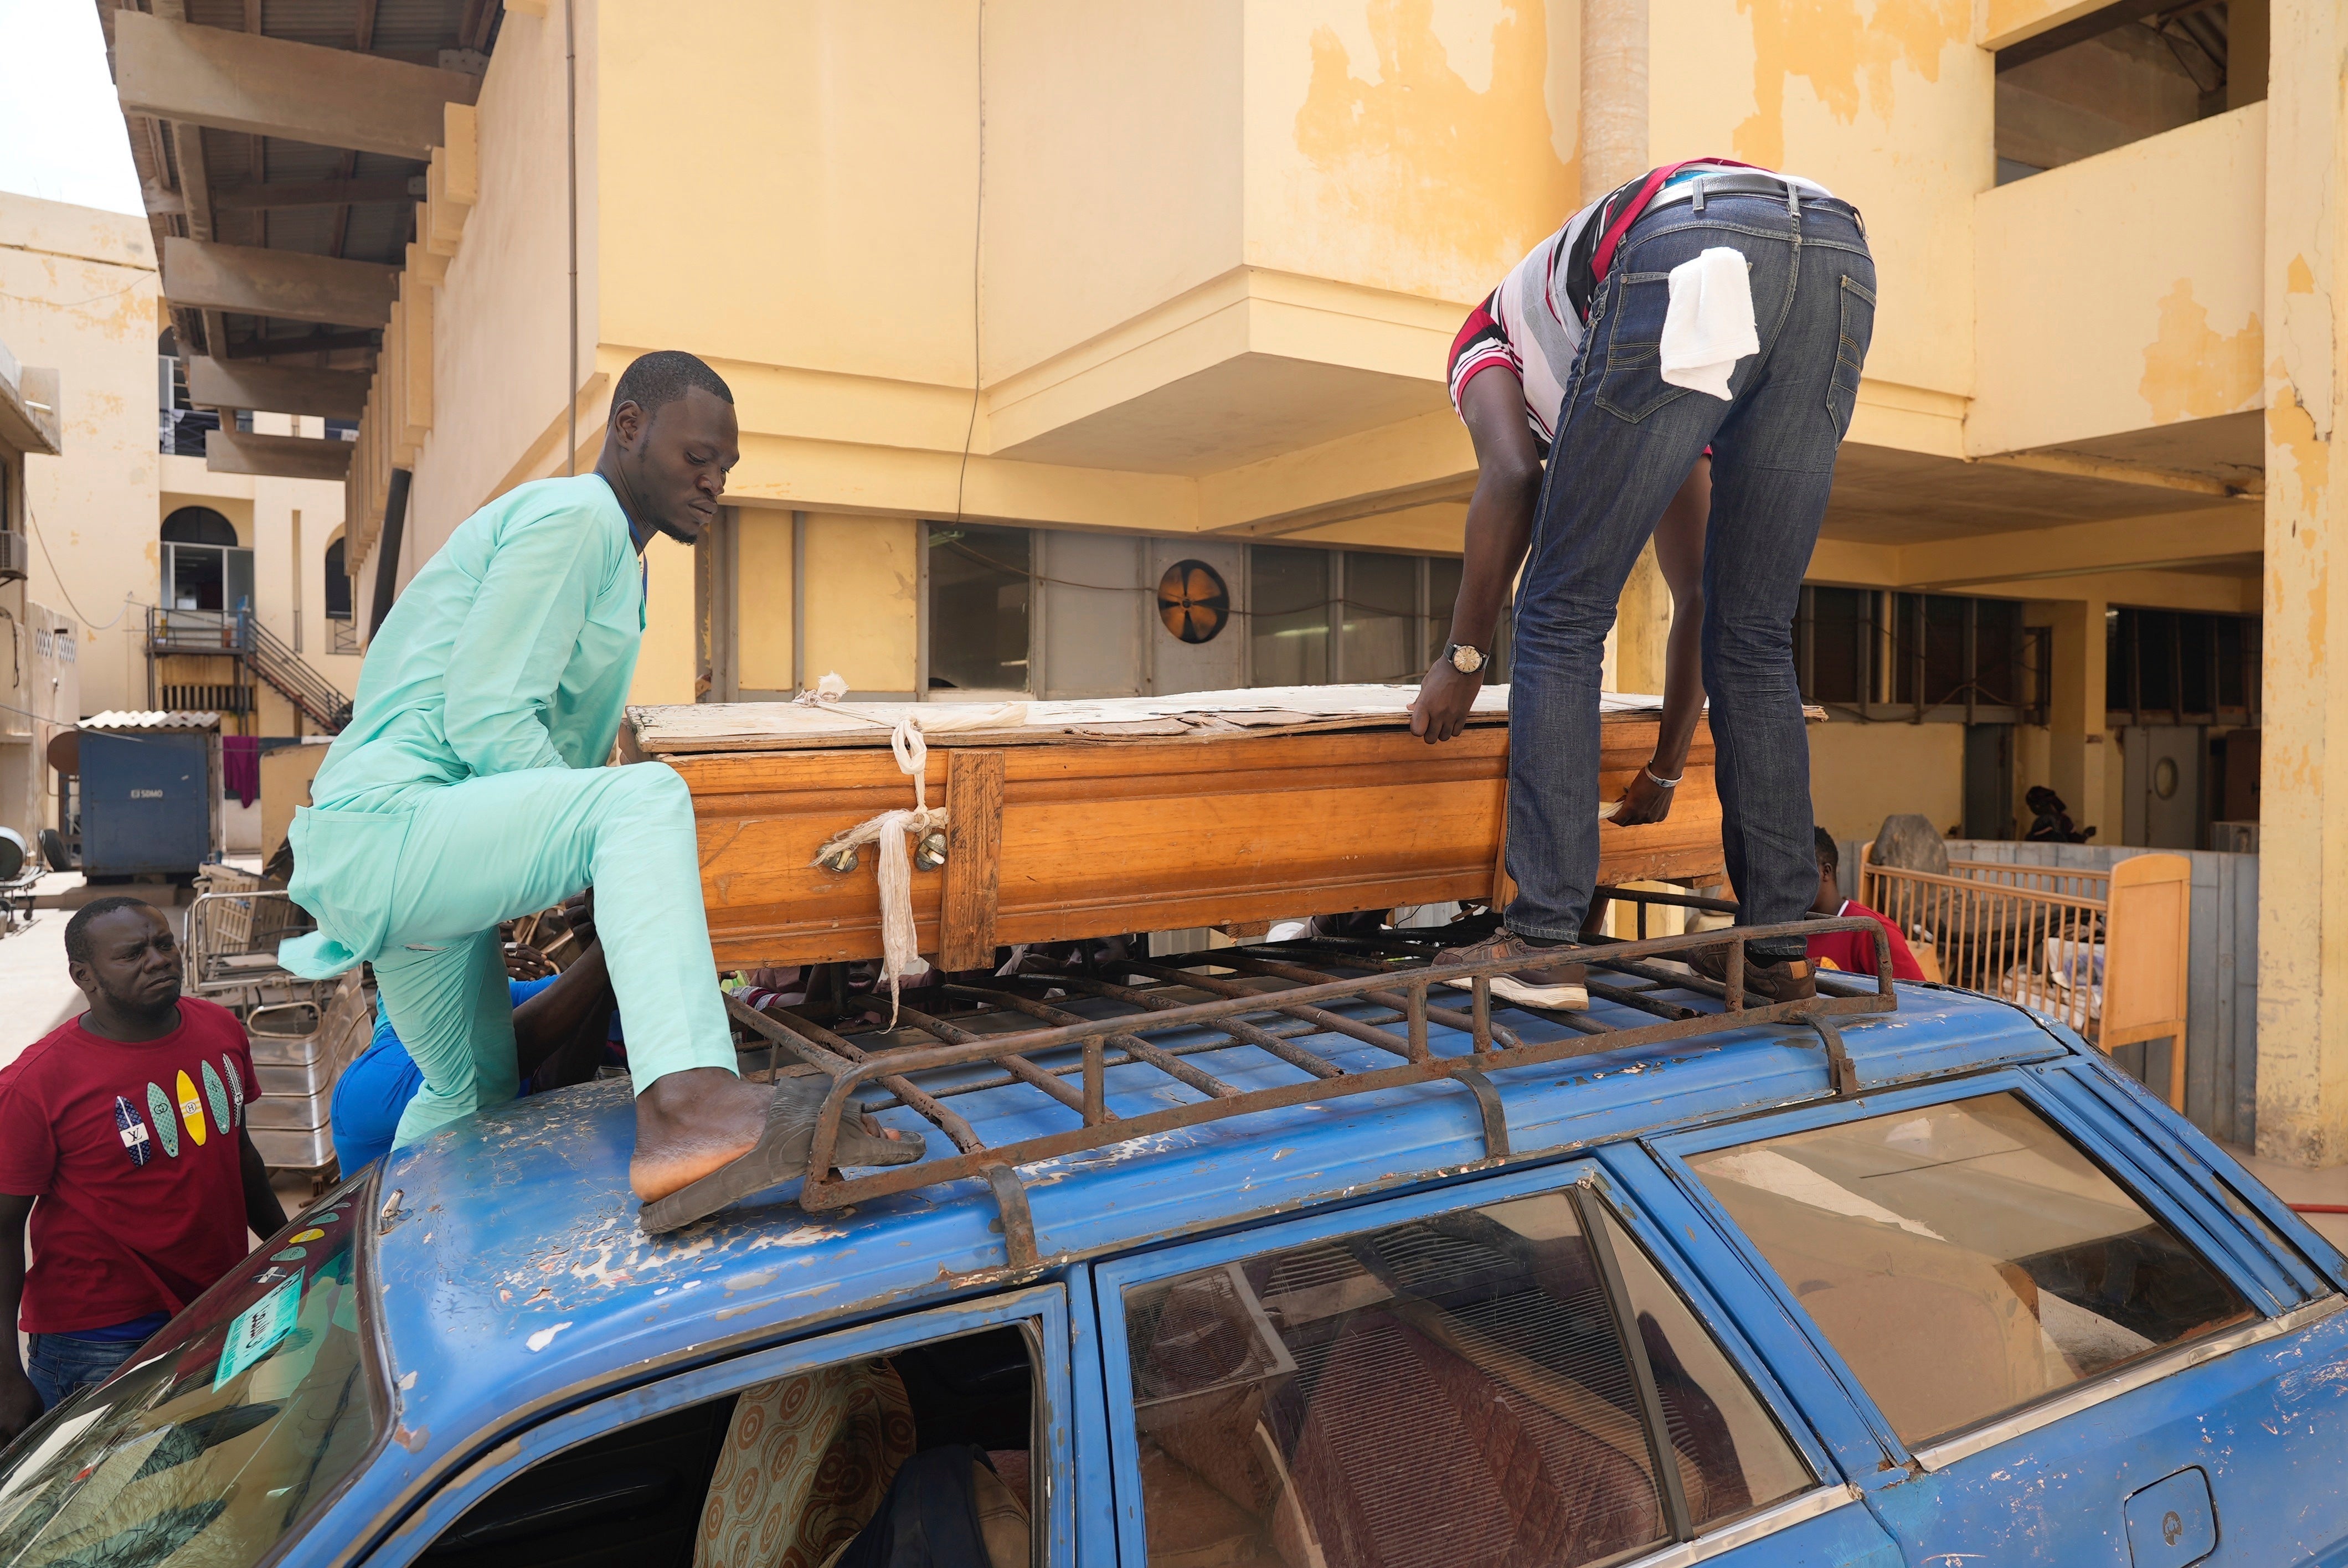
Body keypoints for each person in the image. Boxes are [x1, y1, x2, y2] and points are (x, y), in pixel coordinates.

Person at [276, 350, 919, 1233]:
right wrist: (595, 852)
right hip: (398, 826)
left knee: (472, 1087)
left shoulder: (615, 554)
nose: (714, 482)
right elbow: (489, 715)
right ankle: (688, 1105)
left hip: (397, 853)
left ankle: (409, 1246)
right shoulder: (580, 518)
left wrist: (582, 847)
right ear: (629, 428)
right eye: (698, 457)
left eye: (726, 467)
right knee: (643, 798)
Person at [1412, 161, 1874, 1007]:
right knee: (1755, 632)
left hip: (1691, 242)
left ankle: (1542, 943)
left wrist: (1463, 660)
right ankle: (1776, 950)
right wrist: (1663, 767)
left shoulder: (1486, 335)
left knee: (1559, 610)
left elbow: (1513, 476)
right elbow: (1697, 596)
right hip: (1836, 259)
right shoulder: (1677, 381)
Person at [0, 898, 286, 1439]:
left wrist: (291, 1248)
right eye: (132, 954)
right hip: (102, 1340)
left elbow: (240, 1154)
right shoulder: (35, 1084)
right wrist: (4, 1376)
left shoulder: (219, 1028)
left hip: (219, 1305)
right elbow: (2, 1228)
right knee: (115, 1491)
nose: (158, 960)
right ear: (83, 977)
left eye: (163, 944)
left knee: (211, 1468)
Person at [331, 935, 619, 1173]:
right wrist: (606, 944)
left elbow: (582, 992)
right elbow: (483, 1068)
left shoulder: (452, 998)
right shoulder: (370, 1086)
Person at [1806, 829, 1925, 982]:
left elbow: (1914, 994)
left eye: (1795, 874)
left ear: (1825, 872)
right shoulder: (1788, 930)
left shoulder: (1872, 931)